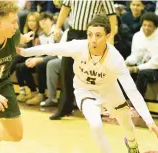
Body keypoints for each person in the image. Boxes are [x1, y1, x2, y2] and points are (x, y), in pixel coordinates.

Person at [17, 14, 158, 153]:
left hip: (109, 90)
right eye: (90, 35)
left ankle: (132, 145)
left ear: (108, 36)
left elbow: (132, 91)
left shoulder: (115, 59)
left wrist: (149, 120)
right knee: (96, 125)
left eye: (98, 35)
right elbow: (50, 48)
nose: (93, 40)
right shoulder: (79, 46)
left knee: (127, 125)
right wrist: (23, 52)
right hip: (85, 90)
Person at [51, 0, 117, 120]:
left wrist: (111, 36)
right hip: (72, 33)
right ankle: (65, 108)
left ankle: (95, 109)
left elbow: (112, 16)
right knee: (66, 70)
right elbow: (65, 9)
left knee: (91, 72)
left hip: (91, 36)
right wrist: (57, 27)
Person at [0, 1, 34, 153]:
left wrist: (25, 38)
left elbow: (19, 38)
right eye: (13, 22)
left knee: (16, 136)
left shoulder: (13, 36)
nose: (16, 26)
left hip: (3, 84)